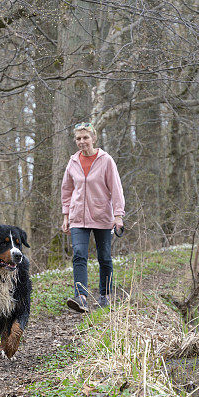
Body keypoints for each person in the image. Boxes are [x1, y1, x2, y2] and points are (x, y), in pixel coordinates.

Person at [60, 122, 125, 312]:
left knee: (104, 257)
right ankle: (80, 297)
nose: (82, 142)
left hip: (102, 216)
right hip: (77, 217)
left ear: (93, 139)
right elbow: (67, 190)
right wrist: (66, 216)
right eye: (78, 138)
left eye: (85, 138)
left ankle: (105, 295)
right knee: (79, 255)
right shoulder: (72, 162)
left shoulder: (106, 160)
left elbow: (116, 189)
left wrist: (118, 216)